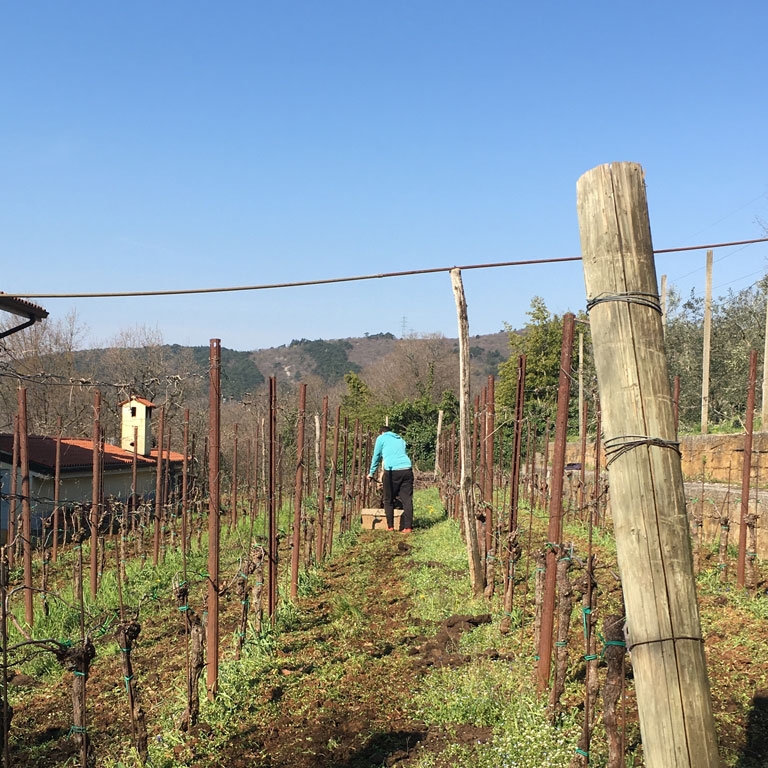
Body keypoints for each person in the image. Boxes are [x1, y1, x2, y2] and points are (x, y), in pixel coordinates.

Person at [368, 425, 414, 532]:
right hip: (407, 469)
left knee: (388, 499)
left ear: (382, 432)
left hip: (392, 470)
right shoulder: (400, 439)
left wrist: (371, 473)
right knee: (407, 499)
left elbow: (376, 456)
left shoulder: (381, 438)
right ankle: (408, 527)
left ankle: (390, 527)